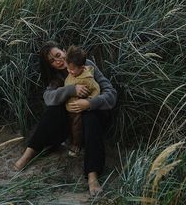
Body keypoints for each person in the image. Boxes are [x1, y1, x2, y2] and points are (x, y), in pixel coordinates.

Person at [15, 40, 117, 196]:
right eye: (52, 61)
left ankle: (92, 175)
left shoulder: (85, 64)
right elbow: (48, 98)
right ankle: (27, 155)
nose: (58, 61)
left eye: (58, 55)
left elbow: (111, 93)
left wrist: (90, 103)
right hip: (69, 125)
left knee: (89, 116)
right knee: (52, 112)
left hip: (93, 119)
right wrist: (71, 89)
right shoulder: (57, 78)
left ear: (64, 51)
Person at [65, 45, 100, 157]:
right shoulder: (71, 73)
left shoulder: (87, 78)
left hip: (79, 110)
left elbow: (96, 89)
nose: (69, 71)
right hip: (69, 106)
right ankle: (69, 140)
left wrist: (89, 101)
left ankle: (77, 145)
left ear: (82, 67)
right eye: (68, 68)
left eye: (72, 69)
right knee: (69, 125)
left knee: (77, 127)